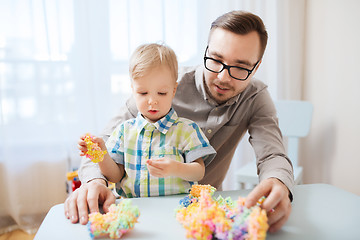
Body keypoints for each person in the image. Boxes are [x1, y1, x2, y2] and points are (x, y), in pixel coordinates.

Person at [64, 10, 294, 233]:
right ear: (206, 50)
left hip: (203, 212)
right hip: (140, 211)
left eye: (241, 67)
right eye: (215, 59)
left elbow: (272, 154)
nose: (223, 77)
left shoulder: (255, 96)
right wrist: (95, 180)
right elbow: (104, 140)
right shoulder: (162, 86)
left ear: (257, 66)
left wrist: (278, 181)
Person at [79, 43, 216, 198]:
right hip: (134, 209)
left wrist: (176, 168)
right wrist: (101, 155)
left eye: (162, 93)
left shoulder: (186, 130)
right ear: (133, 90)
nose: (152, 101)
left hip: (176, 208)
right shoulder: (124, 131)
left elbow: (199, 172)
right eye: (143, 93)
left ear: (173, 90)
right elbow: (115, 177)